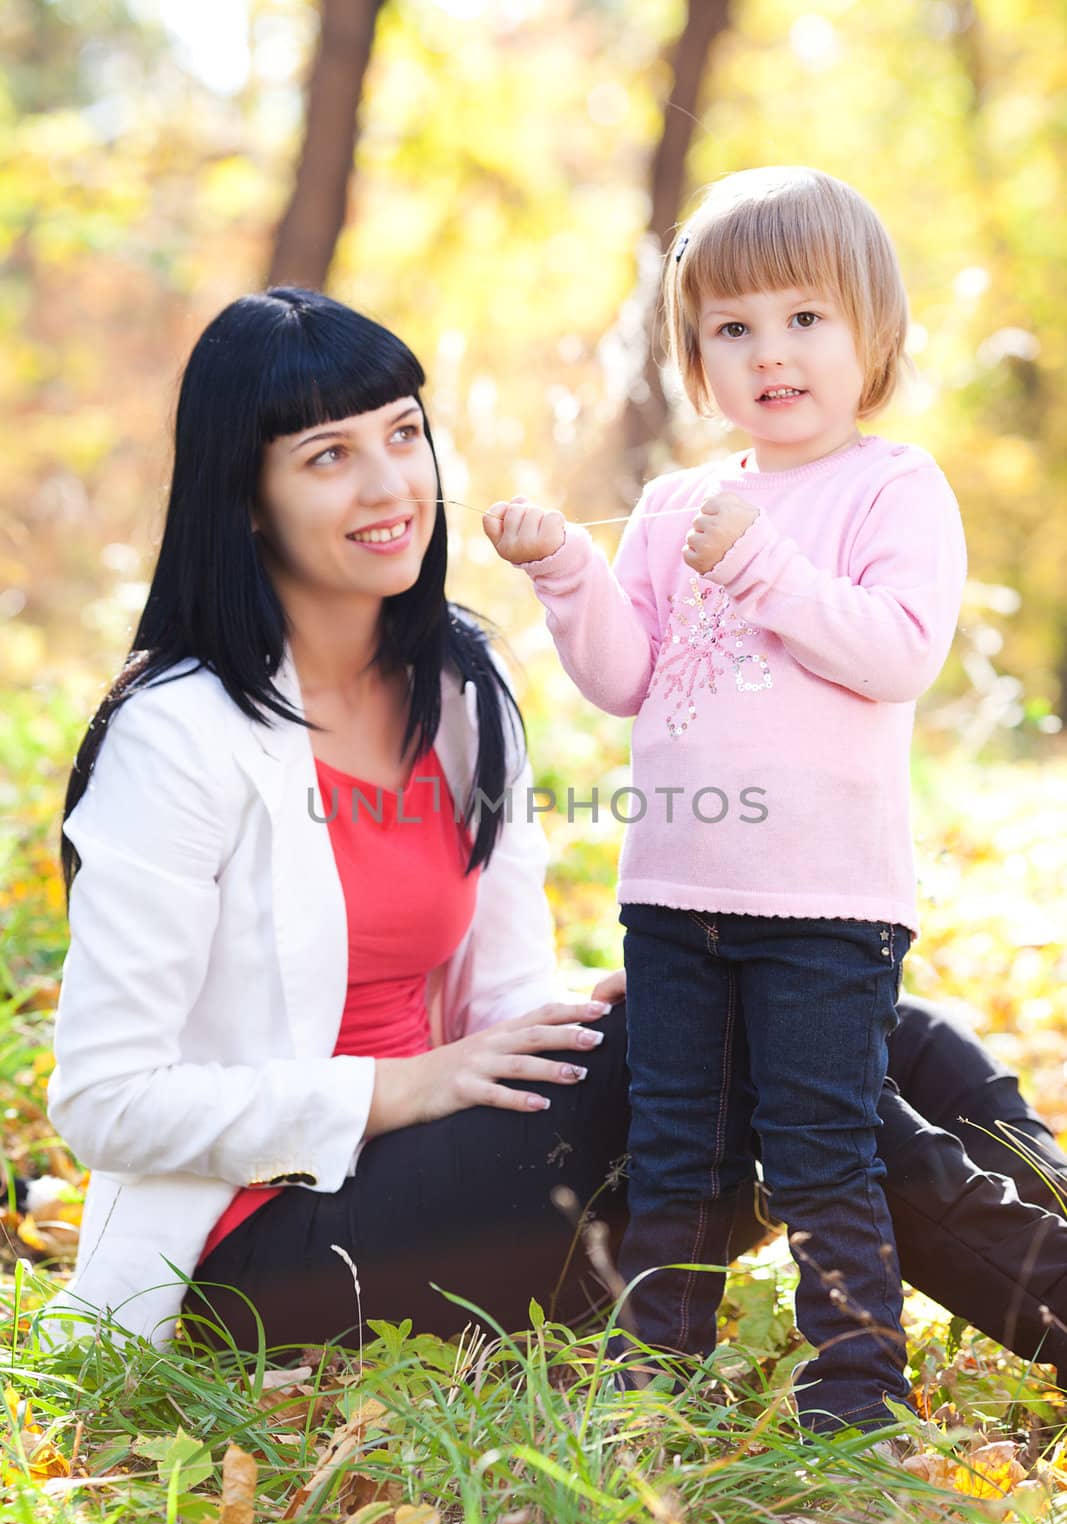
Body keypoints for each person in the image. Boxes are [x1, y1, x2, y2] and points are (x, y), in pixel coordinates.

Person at [38, 288, 1067, 1412]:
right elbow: (105, 1099)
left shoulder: (455, 684)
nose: (390, 485)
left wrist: (599, 1008)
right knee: (749, 1042)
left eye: (401, 434)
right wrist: (401, 1086)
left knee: (871, 1024)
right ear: (245, 497)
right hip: (262, 1244)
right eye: (328, 456)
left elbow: (506, 993)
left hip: (464, 1181)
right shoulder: (177, 734)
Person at [483, 167, 968, 1433]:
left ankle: (855, 1390)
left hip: (821, 900)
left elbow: (895, 650)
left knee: (819, 1151)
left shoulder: (891, 485)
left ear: (872, 330)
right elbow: (625, 678)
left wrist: (758, 563)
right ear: (693, 354)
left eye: (805, 320)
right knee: (675, 1152)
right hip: (673, 894)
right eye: (731, 329)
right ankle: (659, 1368)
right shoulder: (672, 502)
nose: (771, 354)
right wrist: (571, 575)